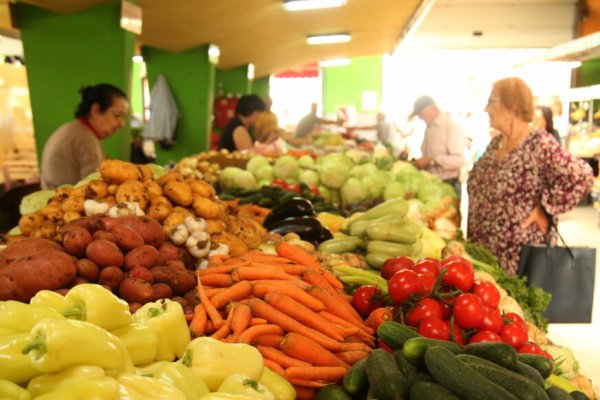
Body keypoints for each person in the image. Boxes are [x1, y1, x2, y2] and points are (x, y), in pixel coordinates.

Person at [468, 77, 594, 275]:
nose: (486, 109)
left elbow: (582, 176)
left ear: (514, 106)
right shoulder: (496, 144)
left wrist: (546, 209)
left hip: (517, 256)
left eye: (492, 101)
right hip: (484, 253)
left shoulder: (538, 143)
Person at [40, 83, 128, 189]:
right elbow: (96, 189)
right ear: (96, 110)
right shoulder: (86, 140)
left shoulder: (71, 128)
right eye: (118, 115)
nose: (122, 124)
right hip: (62, 202)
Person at [410, 95, 466, 196]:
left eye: (421, 114)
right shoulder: (429, 128)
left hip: (448, 183)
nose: (419, 117)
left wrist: (432, 161)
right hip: (431, 182)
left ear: (434, 108)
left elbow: (459, 160)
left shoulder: (451, 127)